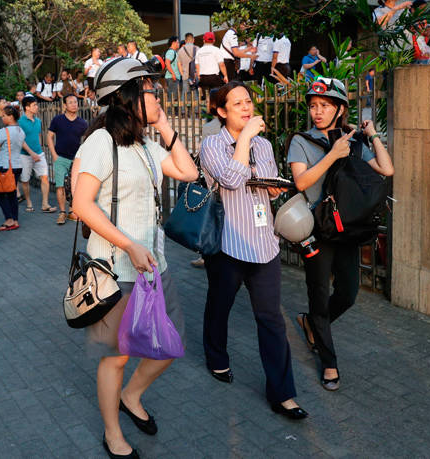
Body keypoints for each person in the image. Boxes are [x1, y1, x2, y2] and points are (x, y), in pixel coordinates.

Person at [71, 57, 198, 459]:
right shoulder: (100, 143)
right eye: (148, 88)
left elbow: (189, 173)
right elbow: (81, 205)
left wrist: (163, 125)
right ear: (126, 97)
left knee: (170, 343)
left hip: (154, 266)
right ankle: (112, 433)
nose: (156, 93)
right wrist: (128, 245)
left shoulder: (145, 143)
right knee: (117, 356)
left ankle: (132, 395)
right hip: (116, 269)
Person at [200, 81, 308, 420]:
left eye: (249, 101)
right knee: (220, 307)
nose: (247, 108)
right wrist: (244, 137)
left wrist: (273, 190)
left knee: (272, 319)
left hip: (264, 244)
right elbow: (231, 180)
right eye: (237, 104)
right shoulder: (212, 145)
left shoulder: (262, 145)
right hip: (227, 245)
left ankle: (283, 393)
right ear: (221, 111)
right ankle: (216, 358)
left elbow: (270, 178)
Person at [287, 78, 394, 391]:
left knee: (347, 292)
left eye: (325, 106)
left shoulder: (353, 141)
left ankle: (311, 325)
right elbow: (302, 183)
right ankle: (329, 362)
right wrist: (333, 155)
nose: (317, 112)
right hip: (316, 229)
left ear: (340, 109)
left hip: (345, 228)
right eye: (313, 106)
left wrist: (371, 134)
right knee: (318, 295)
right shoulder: (301, 141)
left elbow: (386, 169)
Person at [0, 106, 33, 231]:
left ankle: (9, 220)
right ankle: (14, 219)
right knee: (11, 193)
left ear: (11, 117)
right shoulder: (20, 131)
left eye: (4, 116)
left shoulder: (4, 131)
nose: (2, 118)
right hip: (17, 165)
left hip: (5, 166)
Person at [47, 94, 88, 225]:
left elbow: (87, 140)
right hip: (61, 158)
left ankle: (72, 211)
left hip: (76, 160)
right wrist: (54, 155)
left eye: (75, 102)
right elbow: (49, 136)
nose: (74, 104)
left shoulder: (83, 123)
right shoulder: (58, 120)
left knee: (74, 186)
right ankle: (62, 212)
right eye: (70, 102)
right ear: (64, 105)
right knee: (60, 186)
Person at [18, 96, 55, 213]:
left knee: (44, 177)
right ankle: (29, 202)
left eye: (36, 104)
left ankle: (45, 204)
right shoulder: (20, 122)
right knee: (25, 180)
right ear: (27, 107)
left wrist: (38, 150)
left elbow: (38, 136)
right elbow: (20, 141)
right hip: (24, 155)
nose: (37, 107)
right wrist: (31, 153)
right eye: (34, 105)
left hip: (39, 154)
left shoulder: (38, 121)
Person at [195, 31, 229, 98]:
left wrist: (199, 76)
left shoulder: (199, 51)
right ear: (214, 40)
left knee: (206, 98)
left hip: (203, 78)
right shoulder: (216, 50)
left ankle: (207, 108)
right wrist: (225, 75)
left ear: (204, 40)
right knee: (216, 97)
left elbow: (197, 65)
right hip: (214, 78)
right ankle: (215, 108)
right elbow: (221, 64)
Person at [177, 32, 198, 100]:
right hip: (195, 76)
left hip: (185, 76)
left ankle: (183, 110)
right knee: (195, 95)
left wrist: (182, 73)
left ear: (185, 40)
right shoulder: (197, 49)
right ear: (193, 40)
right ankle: (196, 110)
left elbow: (179, 64)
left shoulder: (180, 51)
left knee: (185, 95)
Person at [164, 36, 182, 103]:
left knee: (174, 98)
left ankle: (173, 112)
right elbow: (167, 62)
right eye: (178, 42)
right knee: (172, 98)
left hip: (173, 77)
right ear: (174, 42)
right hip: (172, 78)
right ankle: (170, 113)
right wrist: (173, 74)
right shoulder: (171, 52)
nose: (178, 44)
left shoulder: (174, 52)